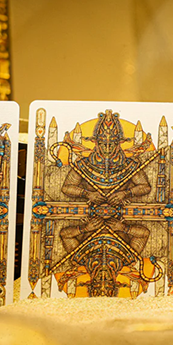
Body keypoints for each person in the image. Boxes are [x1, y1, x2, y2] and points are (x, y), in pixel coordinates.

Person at [59, 110, 152, 296]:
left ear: (118, 143)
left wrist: (126, 192)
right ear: (96, 142)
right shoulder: (128, 258)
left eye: (111, 143)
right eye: (103, 143)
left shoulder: (130, 165)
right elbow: (67, 188)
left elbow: (145, 187)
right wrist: (87, 193)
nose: (108, 148)